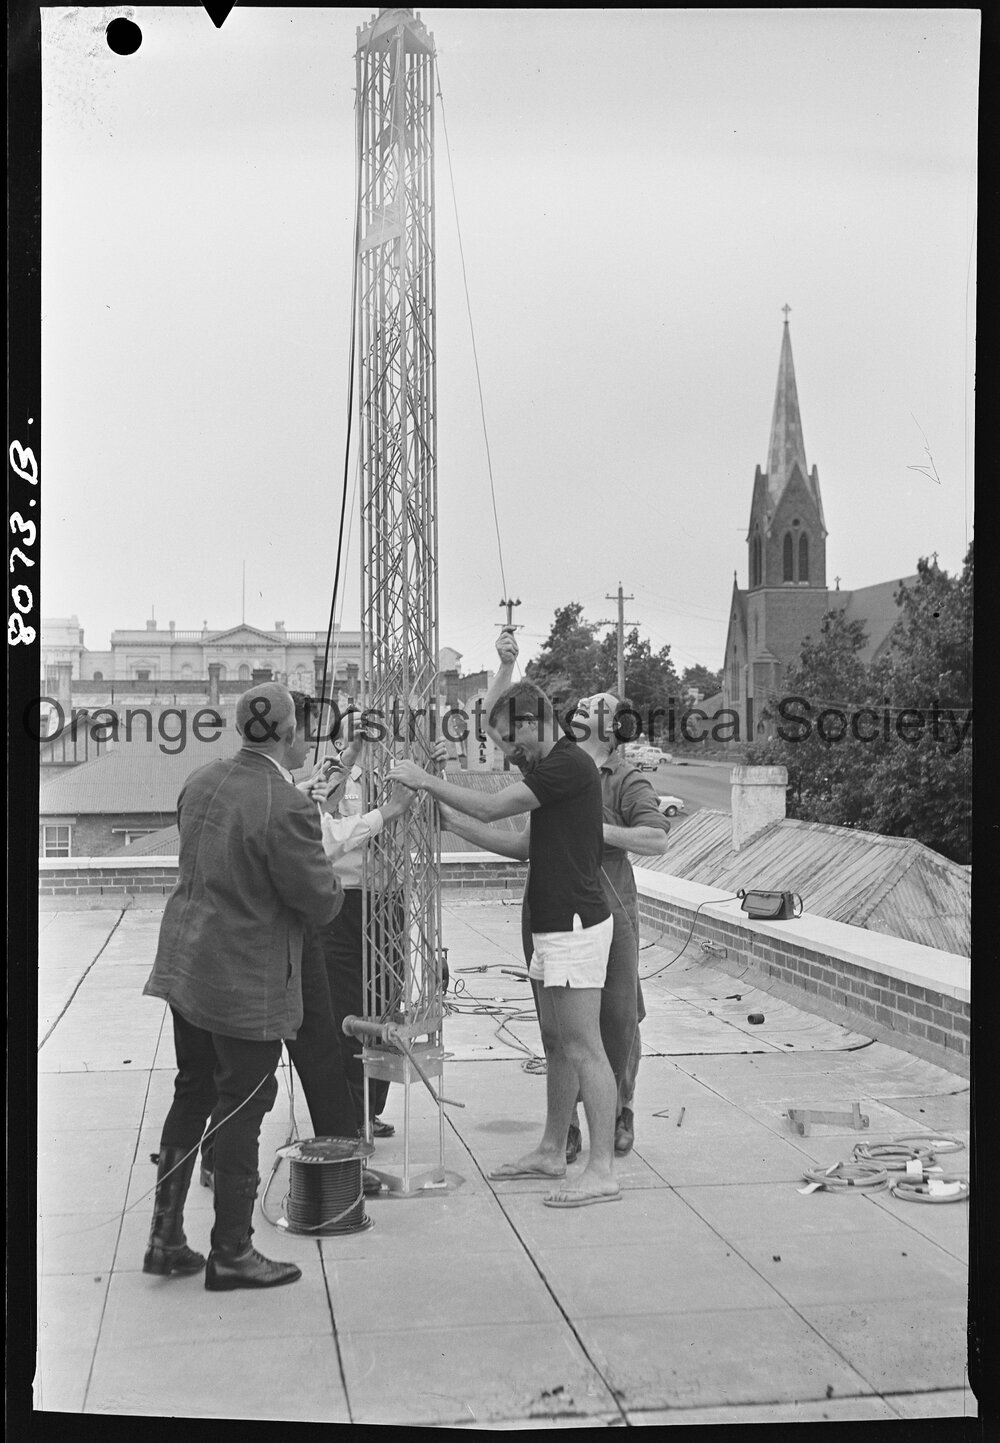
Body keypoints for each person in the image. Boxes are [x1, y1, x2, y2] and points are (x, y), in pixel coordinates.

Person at [388, 666, 619, 1208]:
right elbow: (522, 847)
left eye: (509, 739)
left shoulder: (566, 764)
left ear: (533, 721)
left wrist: (424, 781)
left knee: (585, 1047)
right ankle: (550, 1149)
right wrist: (449, 821)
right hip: (555, 923)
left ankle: (603, 1169)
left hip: (575, 926)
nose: (509, 754)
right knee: (558, 1044)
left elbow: (493, 805)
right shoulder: (558, 769)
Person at [142, 682, 343, 1291]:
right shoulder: (286, 806)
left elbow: (229, 847)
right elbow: (322, 903)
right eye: (304, 728)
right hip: (244, 981)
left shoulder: (203, 780)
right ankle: (232, 1252)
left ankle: (165, 1238)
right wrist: (316, 842)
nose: (309, 738)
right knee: (244, 1106)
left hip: (186, 964)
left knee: (194, 1088)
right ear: (285, 735)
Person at [440, 638, 669, 1158]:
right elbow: (499, 724)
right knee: (560, 1028)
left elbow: (657, 838)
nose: (583, 706)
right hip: (552, 899)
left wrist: (587, 825)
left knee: (617, 1018)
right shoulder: (548, 763)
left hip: (604, 902)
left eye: (595, 707)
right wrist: (503, 664)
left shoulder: (622, 779)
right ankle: (564, 1128)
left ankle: (617, 1115)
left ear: (612, 731)